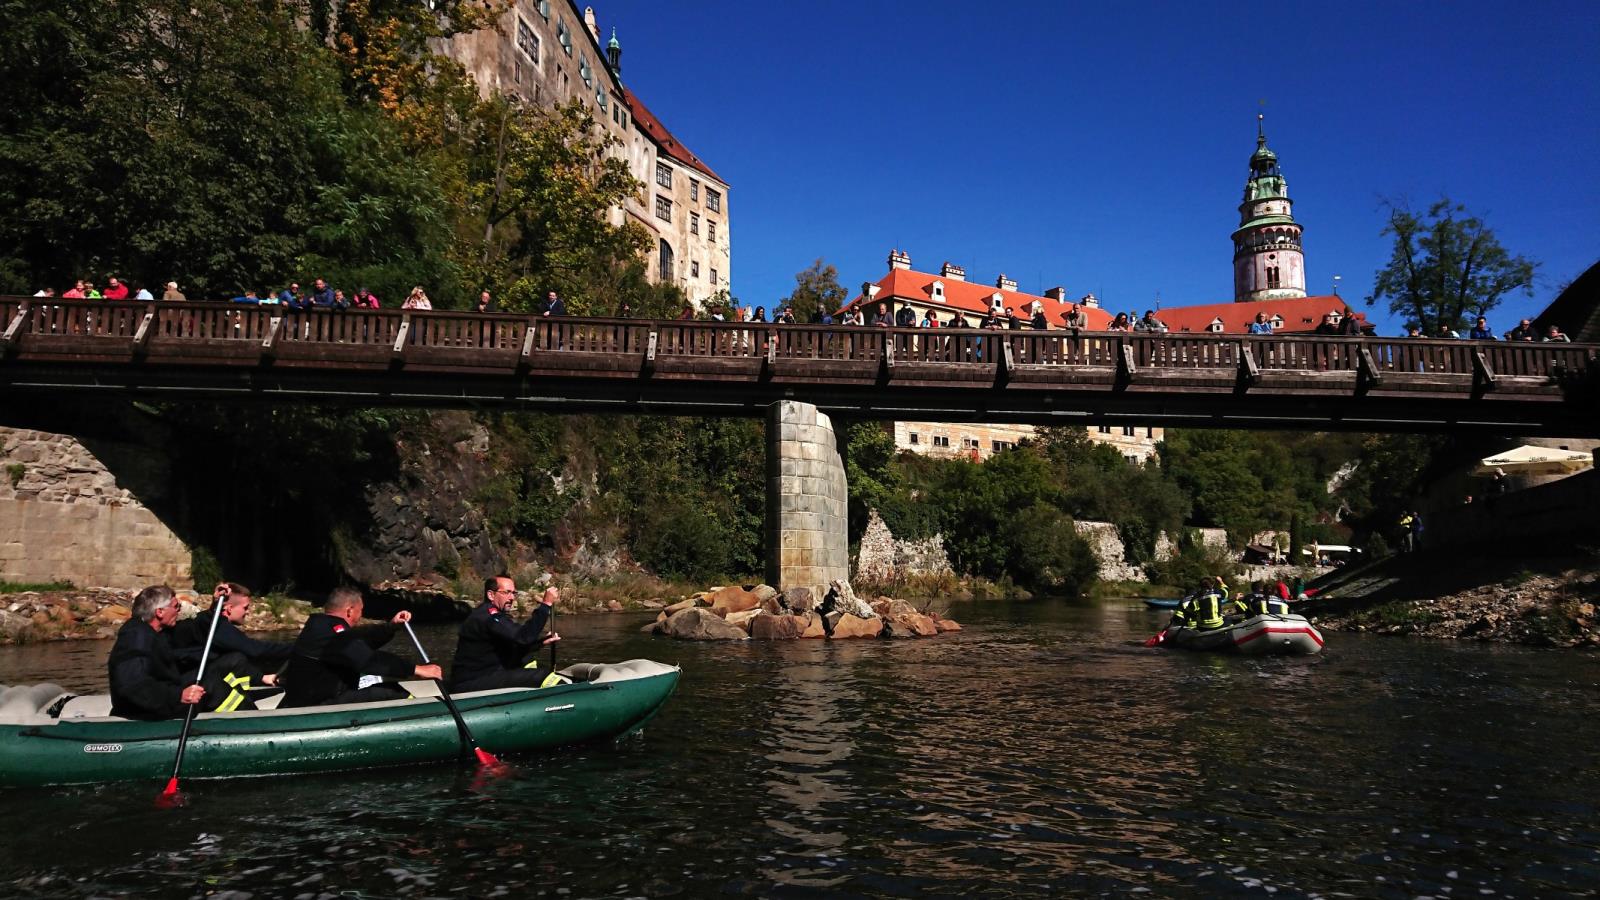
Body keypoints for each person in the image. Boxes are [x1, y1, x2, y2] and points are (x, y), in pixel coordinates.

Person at [108, 585, 257, 720]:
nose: (179, 610)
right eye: (176, 606)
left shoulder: (159, 631)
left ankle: (253, 708)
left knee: (233, 660)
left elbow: (193, 628)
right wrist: (179, 695)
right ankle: (254, 724)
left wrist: (216, 605)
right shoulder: (136, 637)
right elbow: (132, 685)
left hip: (164, 694)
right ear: (160, 612)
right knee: (215, 687)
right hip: (146, 709)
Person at [280, 587, 441, 707]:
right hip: (320, 704)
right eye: (360, 611)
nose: (360, 616)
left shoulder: (319, 626)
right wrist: (416, 669)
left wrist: (391, 626)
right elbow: (368, 661)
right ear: (350, 611)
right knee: (394, 692)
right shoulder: (333, 632)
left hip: (309, 699)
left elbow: (360, 641)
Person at [448, 578, 565, 692]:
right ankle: (568, 696)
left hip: (484, 672)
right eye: (506, 593)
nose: (512, 598)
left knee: (527, 660)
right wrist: (546, 604)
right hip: (472, 680)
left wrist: (540, 643)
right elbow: (523, 637)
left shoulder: (489, 614)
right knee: (543, 676)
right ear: (491, 595)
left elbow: (514, 645)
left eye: (513, 593)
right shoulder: (489, 617)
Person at [167, 582, 294, 685]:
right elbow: (255, 650)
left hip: (185, 677)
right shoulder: (218, 628)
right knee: (236, 659)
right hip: (183, 684)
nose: (247, 612)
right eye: (245, 608)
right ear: (228, 609)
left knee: (234, 658)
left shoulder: (210, 622)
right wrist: (297, 648)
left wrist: (261, 677)